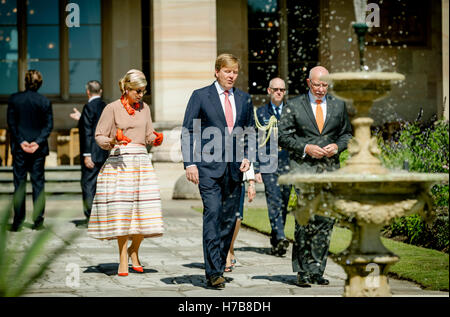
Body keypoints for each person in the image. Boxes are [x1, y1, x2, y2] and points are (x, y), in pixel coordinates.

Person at [181, 53, 254, 289]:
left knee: (229, 220)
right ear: (217, 71)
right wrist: (190, 163)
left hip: (235, 170)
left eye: (235, 72)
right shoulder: (201, 96)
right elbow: (188, 132)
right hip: (208, 170)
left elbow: (251, 132)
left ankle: (219, 265)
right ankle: (213, 271)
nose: (231, 75)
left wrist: (248, 157)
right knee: (212, 215)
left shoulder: (244, 99)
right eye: (227, 71)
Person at [278, 66, 352, 287]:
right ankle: (302, 270)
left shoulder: (339, 105)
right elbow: (282, 136)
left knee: (325, 220)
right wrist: (305, 147)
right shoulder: (293, 105)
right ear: (308, 83)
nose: (321, 89)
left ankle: (317, 269)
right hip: (303, 170)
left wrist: (338, 147)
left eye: (325, 85)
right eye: (317, 84)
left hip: (329, 171)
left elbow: (347, 134)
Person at [87, 69, 164, 277]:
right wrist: (113, 141)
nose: (141, 95)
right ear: (126, 89)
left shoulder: (145, 108)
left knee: (145, 211)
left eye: (143, 91)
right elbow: (99, 136)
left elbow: (148, 134)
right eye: (137, 91)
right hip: (119, 162)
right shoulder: (111, 108)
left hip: (141, 163)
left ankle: (134, 250)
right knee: (122, 212)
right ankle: (122, 257)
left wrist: (155, 138)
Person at [7, 69, 53, 232]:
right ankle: (38, 221)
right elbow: (49, 126)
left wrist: (21, 141)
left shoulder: (14, 99)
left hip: (20, 149)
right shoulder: (44, 101)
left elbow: (11, 124)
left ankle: (18, 222)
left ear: (25, 82)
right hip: (38, 150)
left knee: (19, 185)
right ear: (40, 83)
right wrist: (37, 143)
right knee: (38, 185)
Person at [254, 78, 291, 257]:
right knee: (274, 200)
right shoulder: (260, 113)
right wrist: (256, 168)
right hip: (268, 163)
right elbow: (254, 141)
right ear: (269, 91)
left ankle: (277, 240)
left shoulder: (292, 112)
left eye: (282, 90)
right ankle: (281, 235)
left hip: (288, 163)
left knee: (284, 202)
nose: (278, 92)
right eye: (275, 89)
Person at [70, 81, 109, 224]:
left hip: (91, 154)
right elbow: (97, 126)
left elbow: (87, 131)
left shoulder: (88, 106)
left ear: (88, 92)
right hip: (103, 153)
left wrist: (87, 155)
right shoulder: (106, 107)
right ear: (101, 91)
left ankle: (90, 217)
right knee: (101, 186)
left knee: (88, 185)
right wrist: (82, 118)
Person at [224, 164, 256, 272]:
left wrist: (251, 183)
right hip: (219, 178)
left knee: (237, 218)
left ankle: (230, 246)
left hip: (237, 177)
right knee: (222, 216)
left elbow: (247, 152)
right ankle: (227, 252)